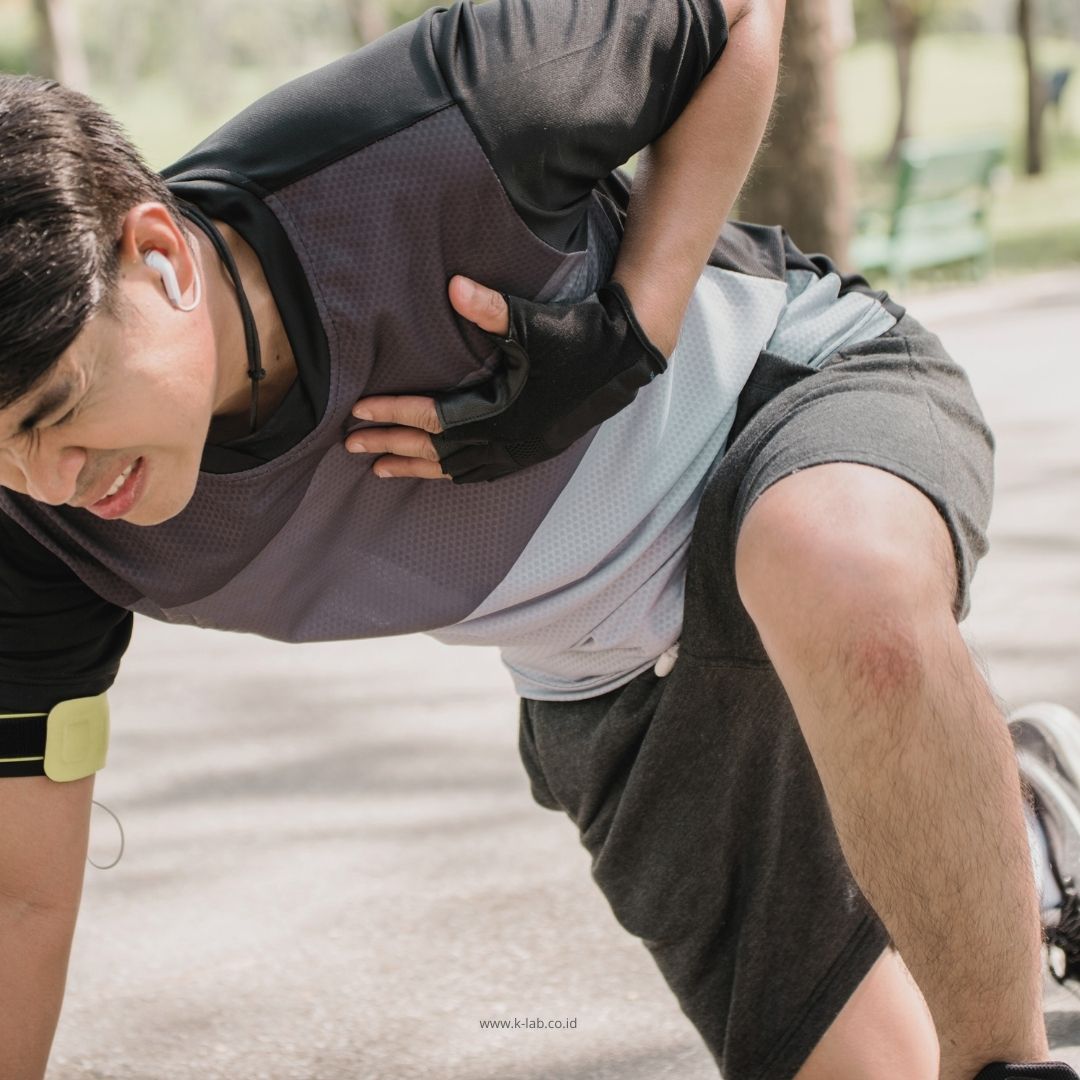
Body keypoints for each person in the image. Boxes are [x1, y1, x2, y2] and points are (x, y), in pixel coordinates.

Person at [0, 2, 1078, 1078]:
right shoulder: (34, 531)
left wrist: (632, 329)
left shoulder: (439, 122)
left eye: (58, 409)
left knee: (822, 563)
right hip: (608, 672)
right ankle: (1011, 839)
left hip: (779, 401)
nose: (49, 480)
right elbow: (20, 896)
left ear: (158, 253)